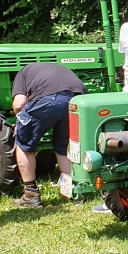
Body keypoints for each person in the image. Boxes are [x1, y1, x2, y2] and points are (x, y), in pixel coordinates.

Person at [11, 63, 87, 209]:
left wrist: (21, 123)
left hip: (48, 99)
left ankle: (30, 194)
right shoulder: (60, 69)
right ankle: (73, 192)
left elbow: (19, 104)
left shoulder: (23, 72)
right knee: (63, 147)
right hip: (77, 100)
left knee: (24, 144)